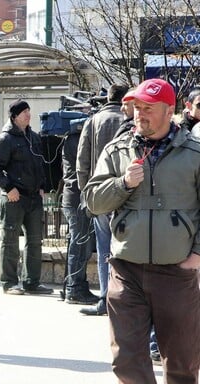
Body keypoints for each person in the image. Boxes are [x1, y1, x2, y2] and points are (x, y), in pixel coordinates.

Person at [82, 78, 200, 384]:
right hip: (126, 270)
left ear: (169, 110)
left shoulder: (194, 154)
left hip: (176, 273)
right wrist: (123, 184)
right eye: (136, 107)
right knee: (127, 361)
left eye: (148, 108)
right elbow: (92, 201)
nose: (139, 114)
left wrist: (197, 254)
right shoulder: (117, 150)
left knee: (182, 364)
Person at [0, 99, 52, 295]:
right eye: (24, 112)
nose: (28, 115)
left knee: (35, 241)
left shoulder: (33, 137)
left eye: (28, 111)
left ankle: (32, 282)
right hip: (15, 199)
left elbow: (40, 165)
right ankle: (9, 282)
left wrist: (42, 187)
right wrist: (9, 188)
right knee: (10, 241)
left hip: (33, 198)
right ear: (14, 116)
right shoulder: (6, 139)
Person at [76, 83, 129, 316]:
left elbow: (82, 161)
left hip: (101, 195)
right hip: (128, 195)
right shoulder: (130, 120)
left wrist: (87, 193)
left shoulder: (94, 120)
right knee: (128, 252)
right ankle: (125, 300)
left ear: (108, 97)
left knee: (104, 249)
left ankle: (105, 299)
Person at [61, 119, 99, 305]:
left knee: (76, 244)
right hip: (77, 199)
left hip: (71, 198)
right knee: (80, 245)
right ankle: (74, 289)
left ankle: (71, 286)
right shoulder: (79, 140)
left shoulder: (70, 138)